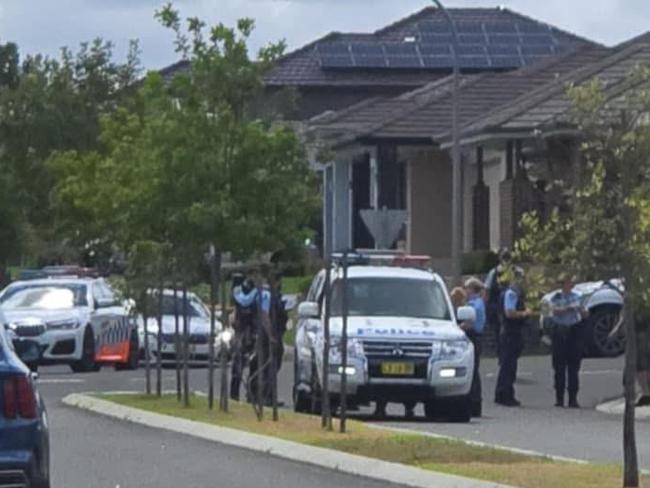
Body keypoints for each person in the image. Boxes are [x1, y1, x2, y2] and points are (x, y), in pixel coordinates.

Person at [494, 268, 533, 407]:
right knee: (508, 366)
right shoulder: (512, 294)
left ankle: (503, 393)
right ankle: (505, 395)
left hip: (509, 333)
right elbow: (509, 313)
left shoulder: (510, 293)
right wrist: (524, 313)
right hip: (511, 333)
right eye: (521, 278)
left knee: (508, 365)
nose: (523, 281)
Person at [549, 274, 587, 408]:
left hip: (574, 330)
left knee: (573, 367)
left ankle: (573, 398)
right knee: (559, 367)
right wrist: (567, 308)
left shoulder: (578, 296)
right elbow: (553, 310)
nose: (570, 285)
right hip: (560, 331)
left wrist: (582, 311)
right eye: (567, 282)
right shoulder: (555, 297)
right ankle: (559, 398)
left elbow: (585, 313)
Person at [230, 274, 259, 401]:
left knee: (252, 365)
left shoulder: (251, 296)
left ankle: (248, 394)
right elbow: (235, 317)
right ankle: (236, 394)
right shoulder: (240, 295)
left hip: (248, 332)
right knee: (240, 365)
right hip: (243, 332)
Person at [463, 277, 486, 417]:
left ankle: (474, 402)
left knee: (472, 372)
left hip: (473, 337)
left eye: (466, 288)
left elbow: (468, 324)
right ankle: (475, 402)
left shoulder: (473, 305)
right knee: (474, 371)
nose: (465, 291)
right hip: (477, 338)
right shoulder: (479, 303)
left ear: (471, 289)